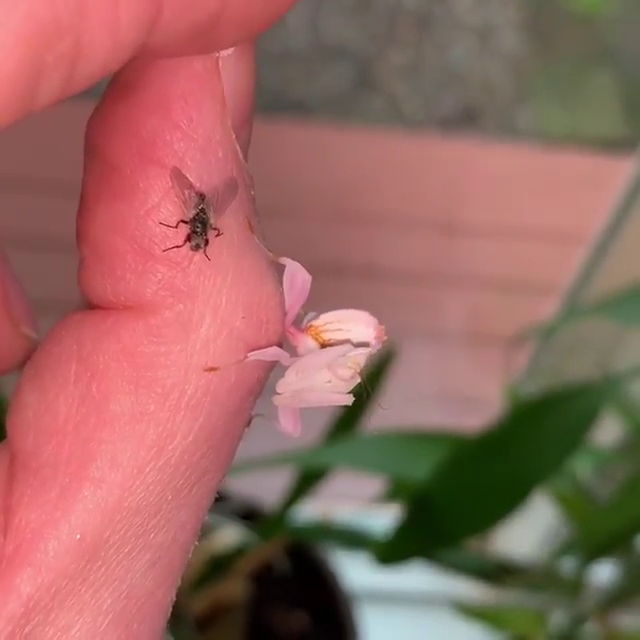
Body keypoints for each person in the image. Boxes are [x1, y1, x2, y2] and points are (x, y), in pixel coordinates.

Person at [0, 0, 296, 636]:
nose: (194, 236)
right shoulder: (196, 218)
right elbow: (196, 212)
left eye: (195, 236)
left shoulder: (201, 220)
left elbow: (203, 215)